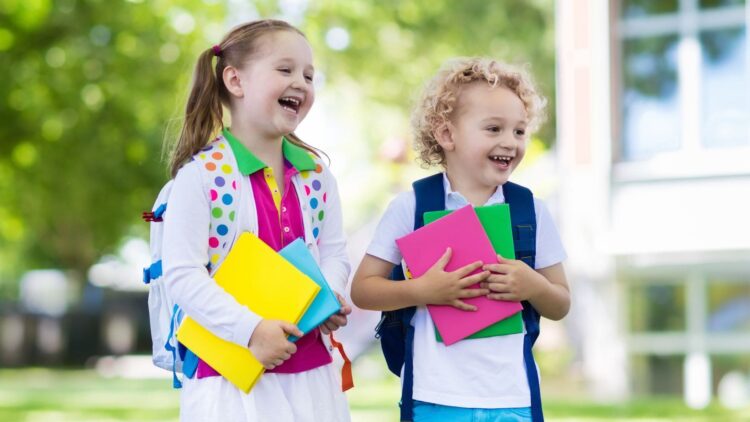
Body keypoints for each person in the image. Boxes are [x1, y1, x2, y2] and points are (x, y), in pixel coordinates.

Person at [351, 57, 570, 422]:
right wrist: (424, 290)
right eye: (494, 128)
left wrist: (532, 285)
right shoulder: (411, 207)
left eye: (519, 131)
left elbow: (560, 303)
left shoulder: (531, 212)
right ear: (447, 135)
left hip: (511, 398)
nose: (510, 142)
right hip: (432, 397)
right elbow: (363, 290)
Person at [161, 19, 351, 422]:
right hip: (229, 378)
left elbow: (335, 252)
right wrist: (251, 330)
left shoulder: (317, 177)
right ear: (235, 80)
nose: (300, 82)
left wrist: (328, 297)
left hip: (312, 375)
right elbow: (183, 276)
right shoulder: (201, 177)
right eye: (285, 70)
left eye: (309, 75)